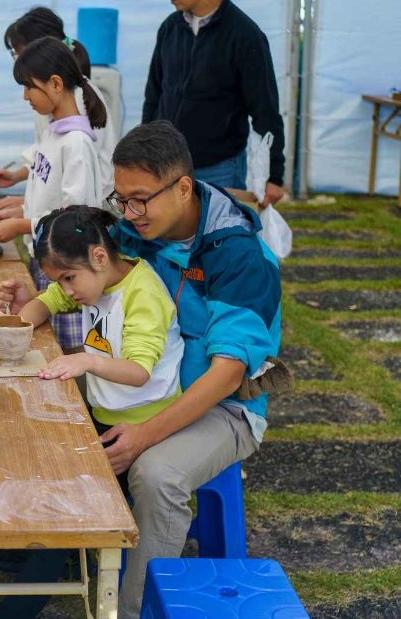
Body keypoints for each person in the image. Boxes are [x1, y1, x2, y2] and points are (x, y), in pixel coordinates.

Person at [0, 206, 184, 619]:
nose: (65, 287)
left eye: (68, 277)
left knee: (65, 510)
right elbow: (46, 304)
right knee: (14, 456)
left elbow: (138, 371)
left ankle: (9, 612)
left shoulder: (143, 294)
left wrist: (86, 360)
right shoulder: (92, 278)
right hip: (102, 412)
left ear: (99, 257)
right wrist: (15, 323)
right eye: (58, 278)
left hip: (139, 427)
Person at [89, 120, 282, 617]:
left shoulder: (238, 255)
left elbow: (226, 375)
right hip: (152, 386)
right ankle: (70, 565)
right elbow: (95, 271)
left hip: (226, 407)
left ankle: (133, 610)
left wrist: (145, 434)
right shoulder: (141, 229)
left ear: (182, 187)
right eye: (121, 200)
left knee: (155, 475)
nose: (128, 214)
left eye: (139, 200)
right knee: (58, 424)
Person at [0, 36, 106, 353]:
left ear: (55, 84)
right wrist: (21, 208)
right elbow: (45, 190)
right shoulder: (54, 130)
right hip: (48, 260)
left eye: (29, 87)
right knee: (49, 344)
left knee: (69, 349)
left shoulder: (76, 142)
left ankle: (80, 400)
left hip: (69, 267)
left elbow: (76, 217)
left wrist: (23, 225)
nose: (25, 97)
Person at [142, 0, 286, 206]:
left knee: (215, 236)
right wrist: (145, 148)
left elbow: (265, 109)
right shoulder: (170, 28)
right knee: (168, 238)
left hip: (219, 168)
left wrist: (274, 176)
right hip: (167, 165)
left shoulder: (245, 35)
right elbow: (154, 95)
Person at [0, 6, 116, 222]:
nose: (25, 97)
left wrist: (27, 220)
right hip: (52, 227)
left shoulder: (77, 108)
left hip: (77, 227)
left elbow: (77, 203)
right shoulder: (54, 106)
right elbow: (49, 157)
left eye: (18, 51)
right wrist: (20, 183)